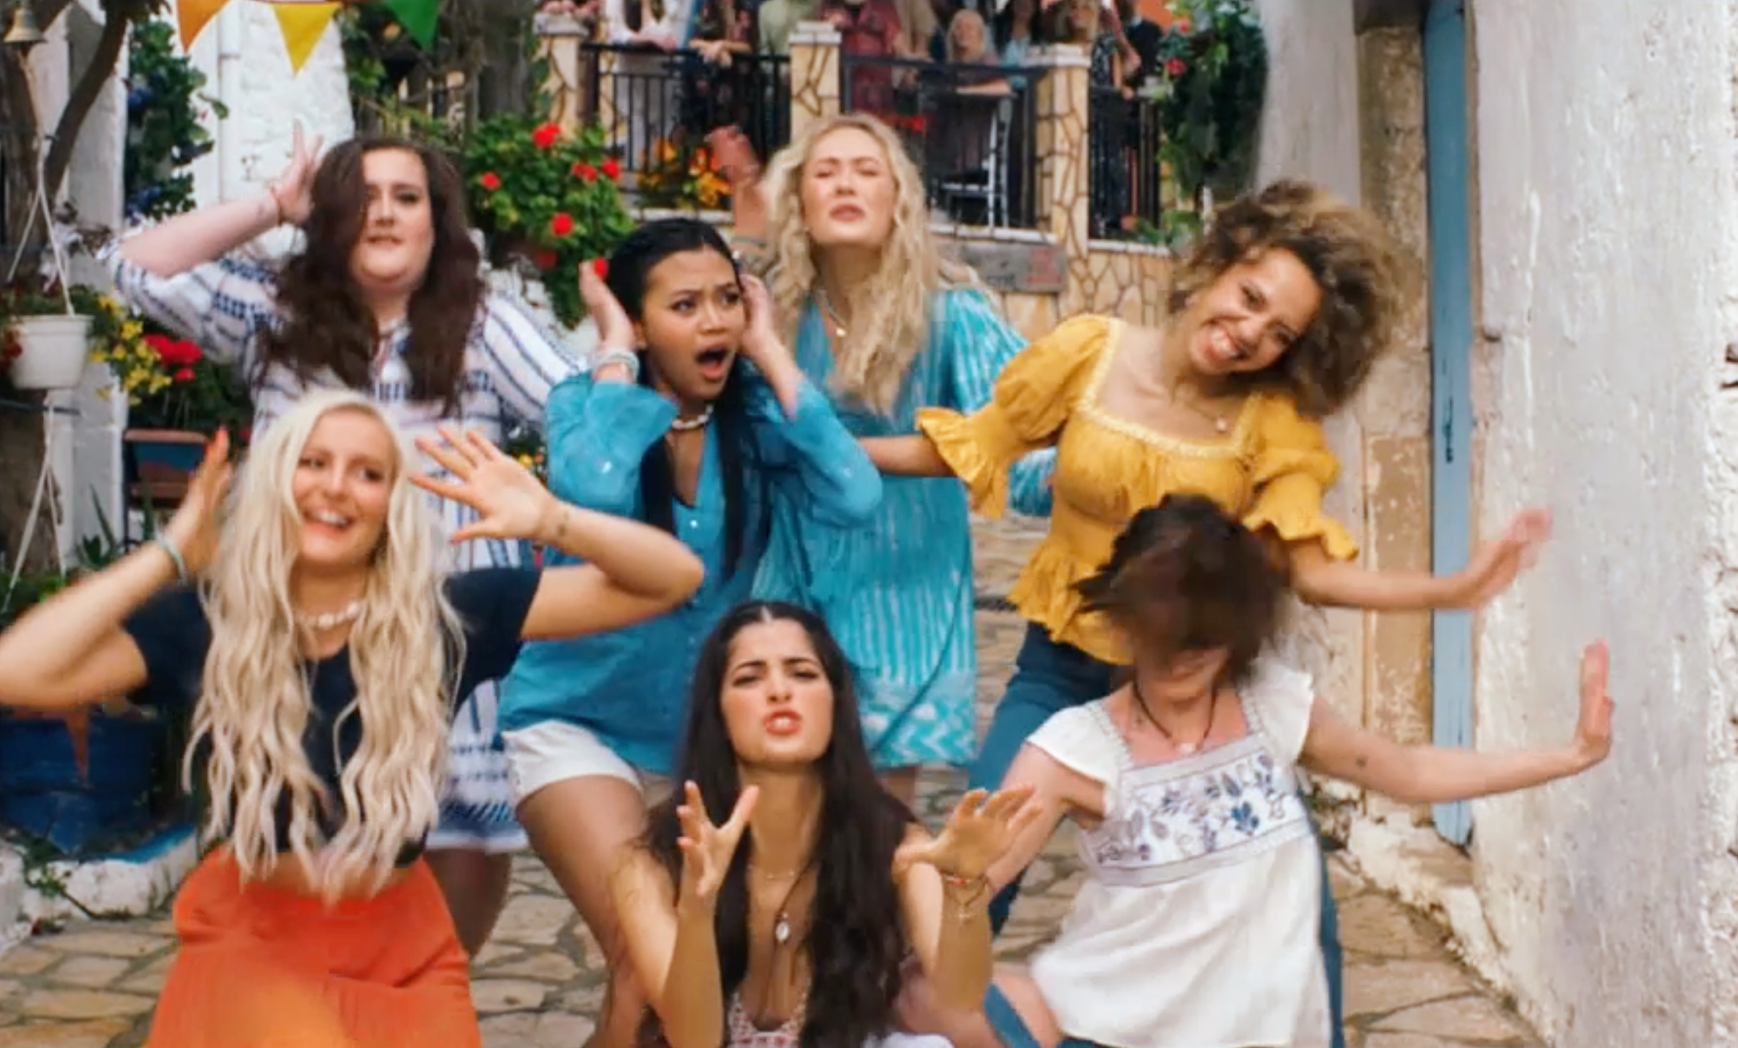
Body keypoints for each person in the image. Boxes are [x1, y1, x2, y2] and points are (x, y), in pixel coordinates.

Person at [860, 179, 1548, 1047]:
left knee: (1299, 912)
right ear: (1221, 262)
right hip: (1066, 663)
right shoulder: (1090, 352)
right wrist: (830, 450)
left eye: (1280, 333)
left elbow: (1315, 575)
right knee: (974, 870)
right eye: (1251, 297)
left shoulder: (1273, 424)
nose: (1251, 332)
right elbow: (968, 445)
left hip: (1211, 690)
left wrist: (1451, 591)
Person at [0, 389, 707, 1047]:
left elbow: (671, 579)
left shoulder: (447, 617)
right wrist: (171, 554)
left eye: (367, 472)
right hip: (254, 942)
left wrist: (551, 518)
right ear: (277, 482)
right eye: (314, 462)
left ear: (393, 503)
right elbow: (15, 673)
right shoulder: (210, 622)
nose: (336, 487)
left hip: (404, 947)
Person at [107, 133, 578, 952]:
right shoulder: (274, 310)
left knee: (441, 906)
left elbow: (585, 420)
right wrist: (269, 207)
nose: (384, 214)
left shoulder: (484, 325)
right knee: (290, 870)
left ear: (439, 222)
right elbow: (134, 268)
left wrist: (548, 503)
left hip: (447, 637)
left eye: (406, 196)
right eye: (361, 196)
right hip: (299, 636)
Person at [959, 496, 1615, 1048]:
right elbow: (954, 908)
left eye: (1206, 638)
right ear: (1126, 625)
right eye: (1165, 634)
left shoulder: (1269, 705)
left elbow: (1408, 770)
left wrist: (1568, 755)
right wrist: (948, 879)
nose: (1184, 657)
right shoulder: (1074, 748)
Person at [499, 219, 886, 1048]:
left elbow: (856, 495)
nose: (713, 321)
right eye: (684, 305)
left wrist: (775, 355)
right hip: (575, 724)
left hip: (696, 748)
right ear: (640, 325)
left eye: (724, 301)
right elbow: (591, 491)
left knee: (686, 971)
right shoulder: (587, 403)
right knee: (647, 964)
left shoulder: (755, 421)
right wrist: (612, 351)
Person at [733, 113, 1056, 809]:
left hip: (904, 589)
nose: (845, 183)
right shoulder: (771, 316)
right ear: (798, 204)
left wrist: (1081, 478)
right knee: (781, 811)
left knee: (878, 826)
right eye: (826, 172)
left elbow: (1017, 441)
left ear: (897, 199)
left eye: (866, 170)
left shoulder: (949, 314)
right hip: (791, 573)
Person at [611, 601, 1037, 1048]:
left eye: (803, 673)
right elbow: (692, 1040)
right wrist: (697, 909)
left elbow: (960, 995)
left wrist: (965, 886)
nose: (779, 690)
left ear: (836, 700)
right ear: (717, 712)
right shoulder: (650, 861)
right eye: (749, 678)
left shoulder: (891, 841)